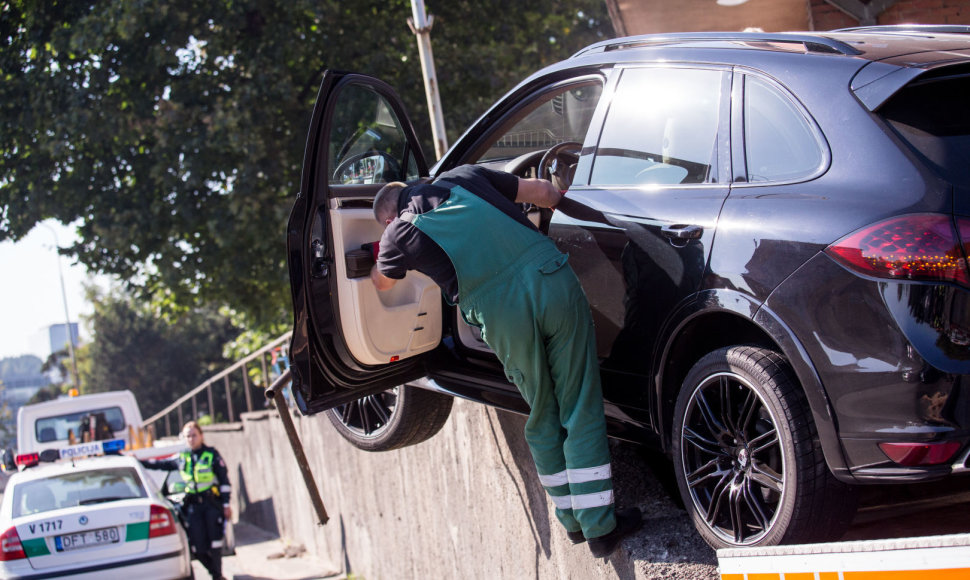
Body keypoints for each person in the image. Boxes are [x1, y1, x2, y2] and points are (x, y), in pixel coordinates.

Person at [370, 164, 642, 558]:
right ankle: (601, 525)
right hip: (550, 280)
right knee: (579, 401)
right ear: (414, 184)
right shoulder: (463, 176)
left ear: (390, 216)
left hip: (502, 316)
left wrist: (383, 244)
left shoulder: (398, 233)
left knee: (544, 410)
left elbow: (382, 280)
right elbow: (546, 195)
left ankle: (575, 526)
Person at [142, 421, 231, 579]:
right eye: (187, 436)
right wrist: (136, 460)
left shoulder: (211, 454)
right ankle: (214, 572)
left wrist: (226, 505)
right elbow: (160, 464)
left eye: (194, 435)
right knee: (198, 547)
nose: (191, 439)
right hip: (193, 507)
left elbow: (224, 481)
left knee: (215, 543)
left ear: (201, 436)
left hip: (211, 504)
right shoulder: (182, 457)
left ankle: (217, 576)